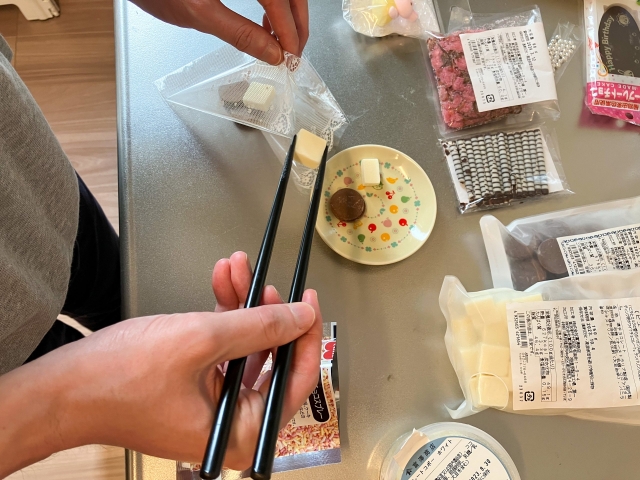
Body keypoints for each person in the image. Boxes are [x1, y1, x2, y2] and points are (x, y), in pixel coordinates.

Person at [0, 0, 315, 477]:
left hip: (33, 186)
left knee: (120, 294)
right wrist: (61, 404)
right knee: (70, 348)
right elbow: (55, 399)